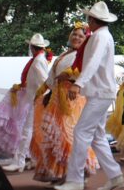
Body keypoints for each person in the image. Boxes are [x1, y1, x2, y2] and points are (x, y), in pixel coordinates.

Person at [56, 2, 124, 190]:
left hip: (100, 93)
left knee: (81, 132)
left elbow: (93, 63)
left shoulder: (101, 37)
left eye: (88, 20)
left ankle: (75, 181)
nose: (87, 24)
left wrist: (78, 84)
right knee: (97, 136)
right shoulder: (100, 36)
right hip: (100, 92)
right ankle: (115, 176)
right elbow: (92, 63)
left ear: (92, 20)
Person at [31, 23, 98, 185]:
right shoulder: (63, 55)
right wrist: (42, 91)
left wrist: (70, 75)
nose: (76, 38)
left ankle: (77, 175)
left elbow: (85, 73)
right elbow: (51, 77)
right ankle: (61, 174)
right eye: (74, 34)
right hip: (56, 98)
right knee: (55, 134)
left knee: (69, 136)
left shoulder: (86, 55)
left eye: (80, 36)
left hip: (73, 98)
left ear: (86, 40)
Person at [0, 33, 50, 172]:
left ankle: (19, 161)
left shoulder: (38, 61)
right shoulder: (39, 59)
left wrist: (40, 96)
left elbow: (45, 81)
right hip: (37, 99)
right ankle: (33, 159)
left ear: (32, 47)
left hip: (38, 100)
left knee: (27, 131)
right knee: (33, 132)